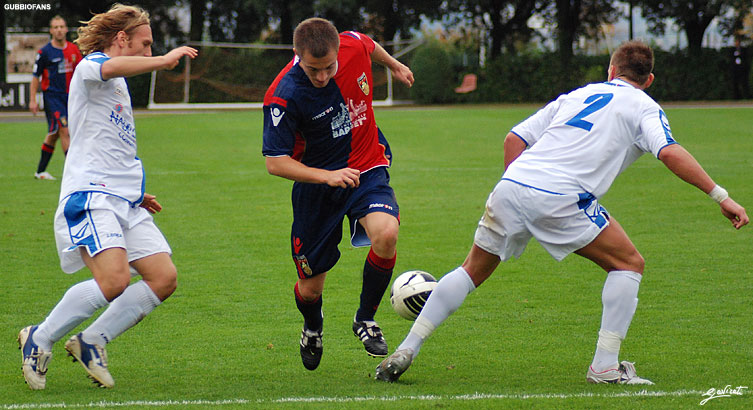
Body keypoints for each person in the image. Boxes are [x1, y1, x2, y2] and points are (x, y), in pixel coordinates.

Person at [375, 40, 749, 384]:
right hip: (562, 196)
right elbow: (668, 151)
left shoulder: (577, 95)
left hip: (513, 185)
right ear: (648, 79)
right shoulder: (644, 106)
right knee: (628, 264)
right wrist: (721, 196)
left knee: (471, 270)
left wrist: (521, 201)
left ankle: (407, 348)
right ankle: (605, 366)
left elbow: (514, 139)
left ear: (611, 70)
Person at [18, 4, 197, 390]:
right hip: (90, 196)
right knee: (114, 280)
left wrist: (135, 192)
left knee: (164, 277)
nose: (149, 52)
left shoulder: (118, 85)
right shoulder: (91, 67)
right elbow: (108, 67)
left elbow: (110, 145)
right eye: (145, 44)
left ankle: (92, 340)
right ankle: (40, 337)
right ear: (122, 39)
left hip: (122, 200)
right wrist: (165, 60)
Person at [262, 17, 414, 371]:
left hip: (366, 168)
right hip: (317, 187)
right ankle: (313, 327)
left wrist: (395, 65)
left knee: (386, 234)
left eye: (329, 66)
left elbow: (368, 43)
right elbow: (275, 162)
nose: (322, 76)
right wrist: (327, 176)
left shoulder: (351, 46)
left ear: (337, 52)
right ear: (296, 54)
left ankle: (365, 319)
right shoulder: (283, 95)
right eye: (314, 69)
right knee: (310, 289)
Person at [29, 15, 82, 180]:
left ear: (66, 29)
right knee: (65, 131)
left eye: (61, 26)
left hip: (71, 98)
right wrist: (32, 100)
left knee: (54, 133)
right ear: (51, 31)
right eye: (55, 27)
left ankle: (40, 171)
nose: (59, 30)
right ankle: (73, 174)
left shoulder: (74, 50)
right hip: (53, 98)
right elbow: (35, 77)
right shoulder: (44, 52)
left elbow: (81, 73)